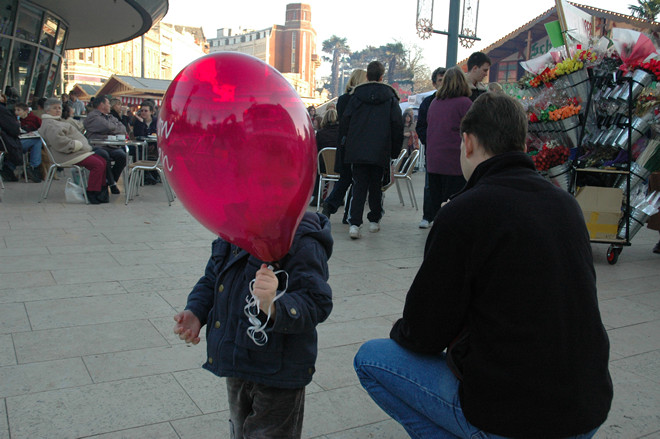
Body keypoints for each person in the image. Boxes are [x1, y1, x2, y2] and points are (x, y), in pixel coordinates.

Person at [354, 93, 613, 439]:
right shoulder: (566, 204)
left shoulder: (465, 211)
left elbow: (424, 333)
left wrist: (406, 332)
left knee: (371, 359)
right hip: (587, 408)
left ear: (469, 142)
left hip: (509, 415)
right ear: (522, 144)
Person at [173, 211, 333, 439]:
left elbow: (317, 302)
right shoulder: (233, 226)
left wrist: (275, 305)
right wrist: (196, 311)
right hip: (237, 361)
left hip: (278, 371)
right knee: (239, 431)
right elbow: (212, 278)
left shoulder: (300, 237)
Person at [340, 61, 403, 239]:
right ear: (382, 76)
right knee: (376, 185)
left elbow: (346, 120)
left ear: (367, 75)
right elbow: (397, 124)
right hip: (380, 148)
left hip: (358, 148)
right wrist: (394, 151)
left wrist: (348, 144)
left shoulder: (356, 96)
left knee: (359, 185)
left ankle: (354, 224)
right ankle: (374, 220)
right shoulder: (390, 97)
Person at [39, 98, 108, 204]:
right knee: (97, 164)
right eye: (54, 108)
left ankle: (101, 192)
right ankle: (92, 193)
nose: (58, 110)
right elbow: (59, 142)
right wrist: (76, 145)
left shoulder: (56, 121)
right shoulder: (50, 124)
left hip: (73, 152)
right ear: (47, 111)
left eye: (59, 108)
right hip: (67, 154)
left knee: (102, 161)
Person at [425, 66, 472, 222]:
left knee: (436, 202)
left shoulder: (434, 103)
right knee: (456, 205)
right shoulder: (465, 103)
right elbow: (471, 130)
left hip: (434, 161)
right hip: (454, 162)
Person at [321, 68, 368, 223]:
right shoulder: (362, 101)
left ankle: (330, 204)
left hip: (344, 143)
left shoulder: (342, 100)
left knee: (345, 179)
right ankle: (348, 214)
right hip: (358, 143)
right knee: (357, 181)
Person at [416, 67, 446, 229]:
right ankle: (427, 215)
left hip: (450, 152)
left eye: (446, 79)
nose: (443, 83)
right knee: (430, 184)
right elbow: (421, 126)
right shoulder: (428, 103)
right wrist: (429, 140)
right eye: (440, 80)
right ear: (435, 84)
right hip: (433, 150)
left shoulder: (455, 101)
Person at [83, 95, 127, 195]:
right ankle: (112, 184)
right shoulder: (93, 116)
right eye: (108, 103)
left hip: (111, 146)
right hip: (97, 146)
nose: (109, 106)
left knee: (122, 156)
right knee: (103, 155)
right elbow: (105, 126)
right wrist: (114, 129)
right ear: (102, 105)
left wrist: (112, 129)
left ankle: (110, 181)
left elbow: (123, 129)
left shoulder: (110, 116)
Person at [311, 108, 340, 207]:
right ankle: (339, 197)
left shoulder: (320, 134)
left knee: (317, 168)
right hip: (338, 166)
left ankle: (316, 196)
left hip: (324, 166)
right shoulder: (341, 133)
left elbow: (316, 151)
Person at [14, 102, 43, 182]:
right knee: (37, 141)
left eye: (18, 110)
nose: (16, 112)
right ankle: (33, 167)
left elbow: (43, 130)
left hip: (23, 141)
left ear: (26, 111)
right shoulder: (13, 120)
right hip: (16, 143)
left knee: (37, 140)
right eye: (15, 110)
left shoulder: (35, 119)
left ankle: (32, 167)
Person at [0, 96, 24, 182]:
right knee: (35, 142)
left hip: (6, 143)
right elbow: (13, 129)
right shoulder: (3, 110)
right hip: (6, 145)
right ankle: (32, 166)